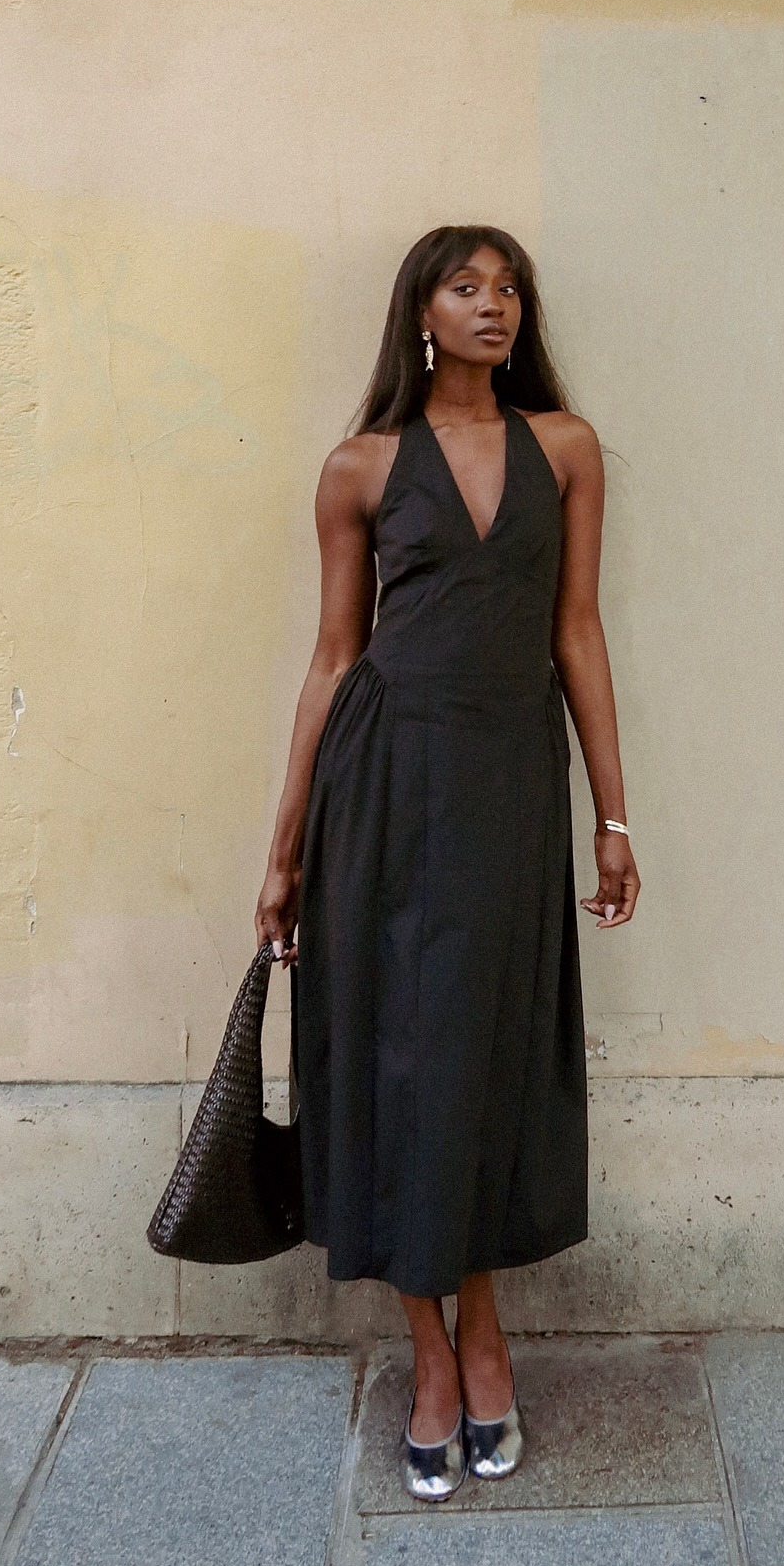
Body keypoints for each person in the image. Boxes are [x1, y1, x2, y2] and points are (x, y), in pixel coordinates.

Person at [256, 224, 638, 1501]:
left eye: (509, 284)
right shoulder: (359, 469)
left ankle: (482, 1329)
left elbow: (576, 632)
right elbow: (330, 661)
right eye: (466, 286)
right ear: (419, 311)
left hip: (506, 790)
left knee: (477, 1058)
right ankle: (441, 1355)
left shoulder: (566, 450)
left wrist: (613, 816)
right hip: (379, 788)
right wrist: (285, 849)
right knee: (397, 1066)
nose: (495, 304)